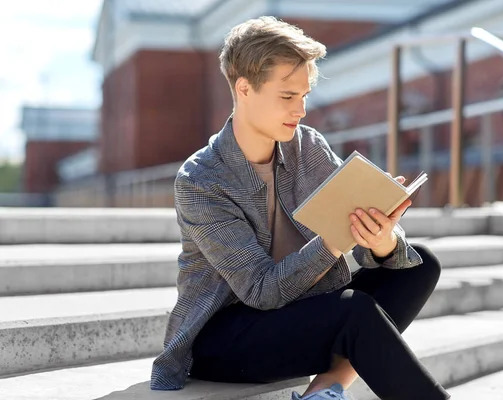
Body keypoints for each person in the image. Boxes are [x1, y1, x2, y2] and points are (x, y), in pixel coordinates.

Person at [150, 16, 450, 400]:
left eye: (305, 95)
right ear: (244, 89)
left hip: (302, 310)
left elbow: (362, 246)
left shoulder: (307, 145)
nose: (302, 110)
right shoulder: (201, 180)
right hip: (224, 340)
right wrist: (334, 240)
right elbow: (260, 291)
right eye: (288, 97)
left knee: (416, 263)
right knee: (354, 311)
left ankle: (325, 392)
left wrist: (380, 240)